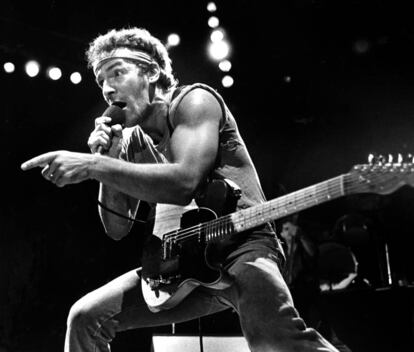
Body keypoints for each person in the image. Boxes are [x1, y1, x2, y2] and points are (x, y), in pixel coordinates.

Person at [21, 27, 338, 352]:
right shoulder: (129, 141)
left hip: (243, 246)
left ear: (152, 72)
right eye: (100, 80)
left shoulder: (195, 102)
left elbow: (184, 183)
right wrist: (105, 159)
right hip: (180, 262)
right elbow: (116, 228)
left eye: (116, 73)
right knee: (86, 317)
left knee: (276, 340)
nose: (106, 88)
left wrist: (90, 166)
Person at [280, 217, 352, 352]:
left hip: (307, 293)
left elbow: (313, 253)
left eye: (290, 229)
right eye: (285, 229)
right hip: (291, 295)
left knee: (317, 327)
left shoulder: (303, 246)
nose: (288, 233)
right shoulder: (282, 251)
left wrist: (301, 235)